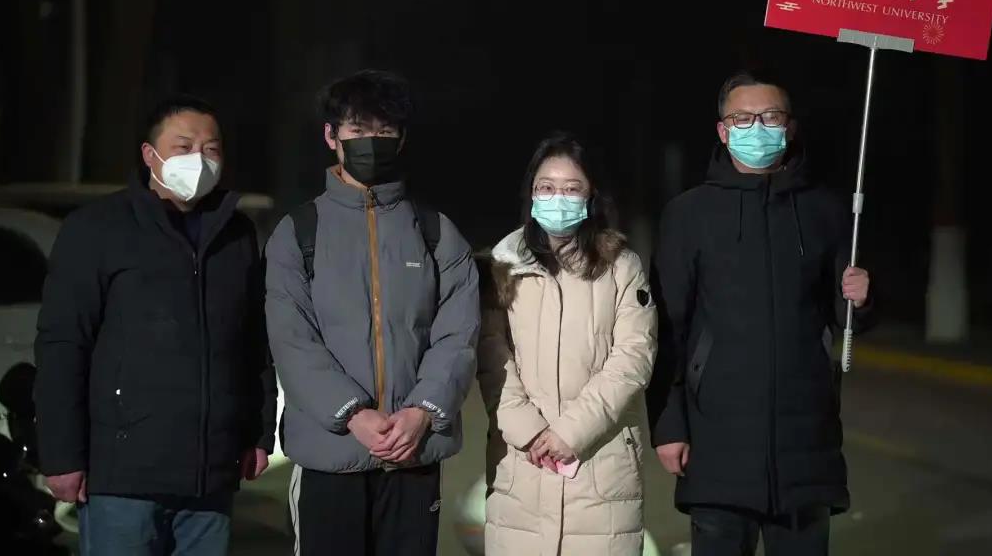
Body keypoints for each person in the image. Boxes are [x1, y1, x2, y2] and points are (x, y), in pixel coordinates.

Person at [34, 95, 277, 556]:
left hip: (209, 477)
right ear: (150, 155)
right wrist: (62, 455)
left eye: (210, 149)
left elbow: (252, 343)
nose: (198, 159)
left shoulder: (236, 235)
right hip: (122, 475)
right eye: (183, 147)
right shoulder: (98, 229)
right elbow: (63, 344)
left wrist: (256, 434)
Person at [646, 69, 874, 556]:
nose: (757, 128)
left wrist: (862, 297)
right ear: (722, 130)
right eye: (743, 119)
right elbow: (667, 329)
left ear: (789, 127)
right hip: (716, 442)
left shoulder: (826, 210)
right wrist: (668, 426)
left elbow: (846, 316)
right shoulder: (689, 214)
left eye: (770, 117)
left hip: (806, 443)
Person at [266, 69, 480, 556]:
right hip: (331, 456)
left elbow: (458, 333)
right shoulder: (299, 232)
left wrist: (423, 412)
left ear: (401, 139)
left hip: (413, 454)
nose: (371, 142)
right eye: (358, 130)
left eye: (384, 132)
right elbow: (292, 338)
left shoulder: (436, 232)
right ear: (331, 136)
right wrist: (352, 414)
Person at [477, 133, 657, 556]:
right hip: (521, 466)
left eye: (572, 188)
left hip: (601, 466)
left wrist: (571, 432)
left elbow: (634, 357)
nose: (558, 198)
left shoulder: (621, 267)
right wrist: (529, 431)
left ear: (591, 197)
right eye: (547, 187)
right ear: (531, 193)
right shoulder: (501, 265)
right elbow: (490, 355)